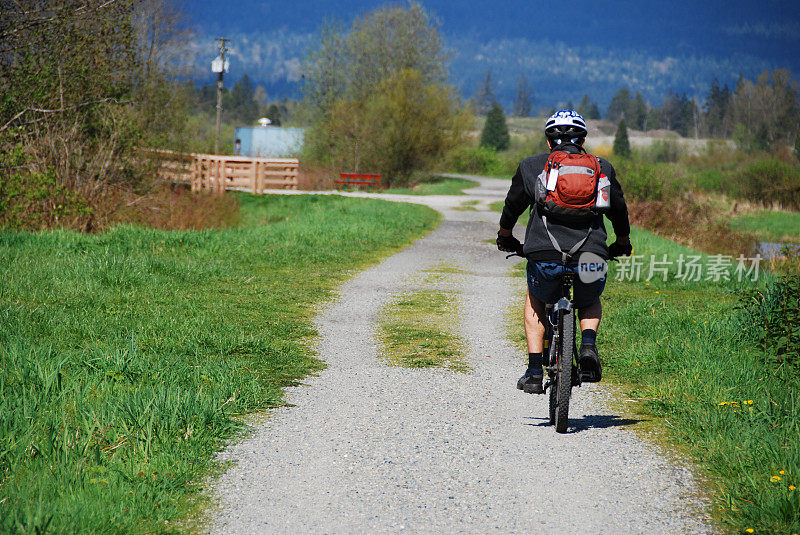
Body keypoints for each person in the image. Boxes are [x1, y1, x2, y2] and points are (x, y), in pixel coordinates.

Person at [496, 110, 632, 394]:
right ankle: (588, 347)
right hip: (591, 255)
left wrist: (506, 236)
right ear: (582, 139)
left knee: (535, 301)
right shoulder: (602, 167)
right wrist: (622, 241)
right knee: (590, 299)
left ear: (549, 141)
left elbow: (512, 206)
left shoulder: (531, 165)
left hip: (545, 255)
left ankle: (534, 372)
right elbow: (618, 209)